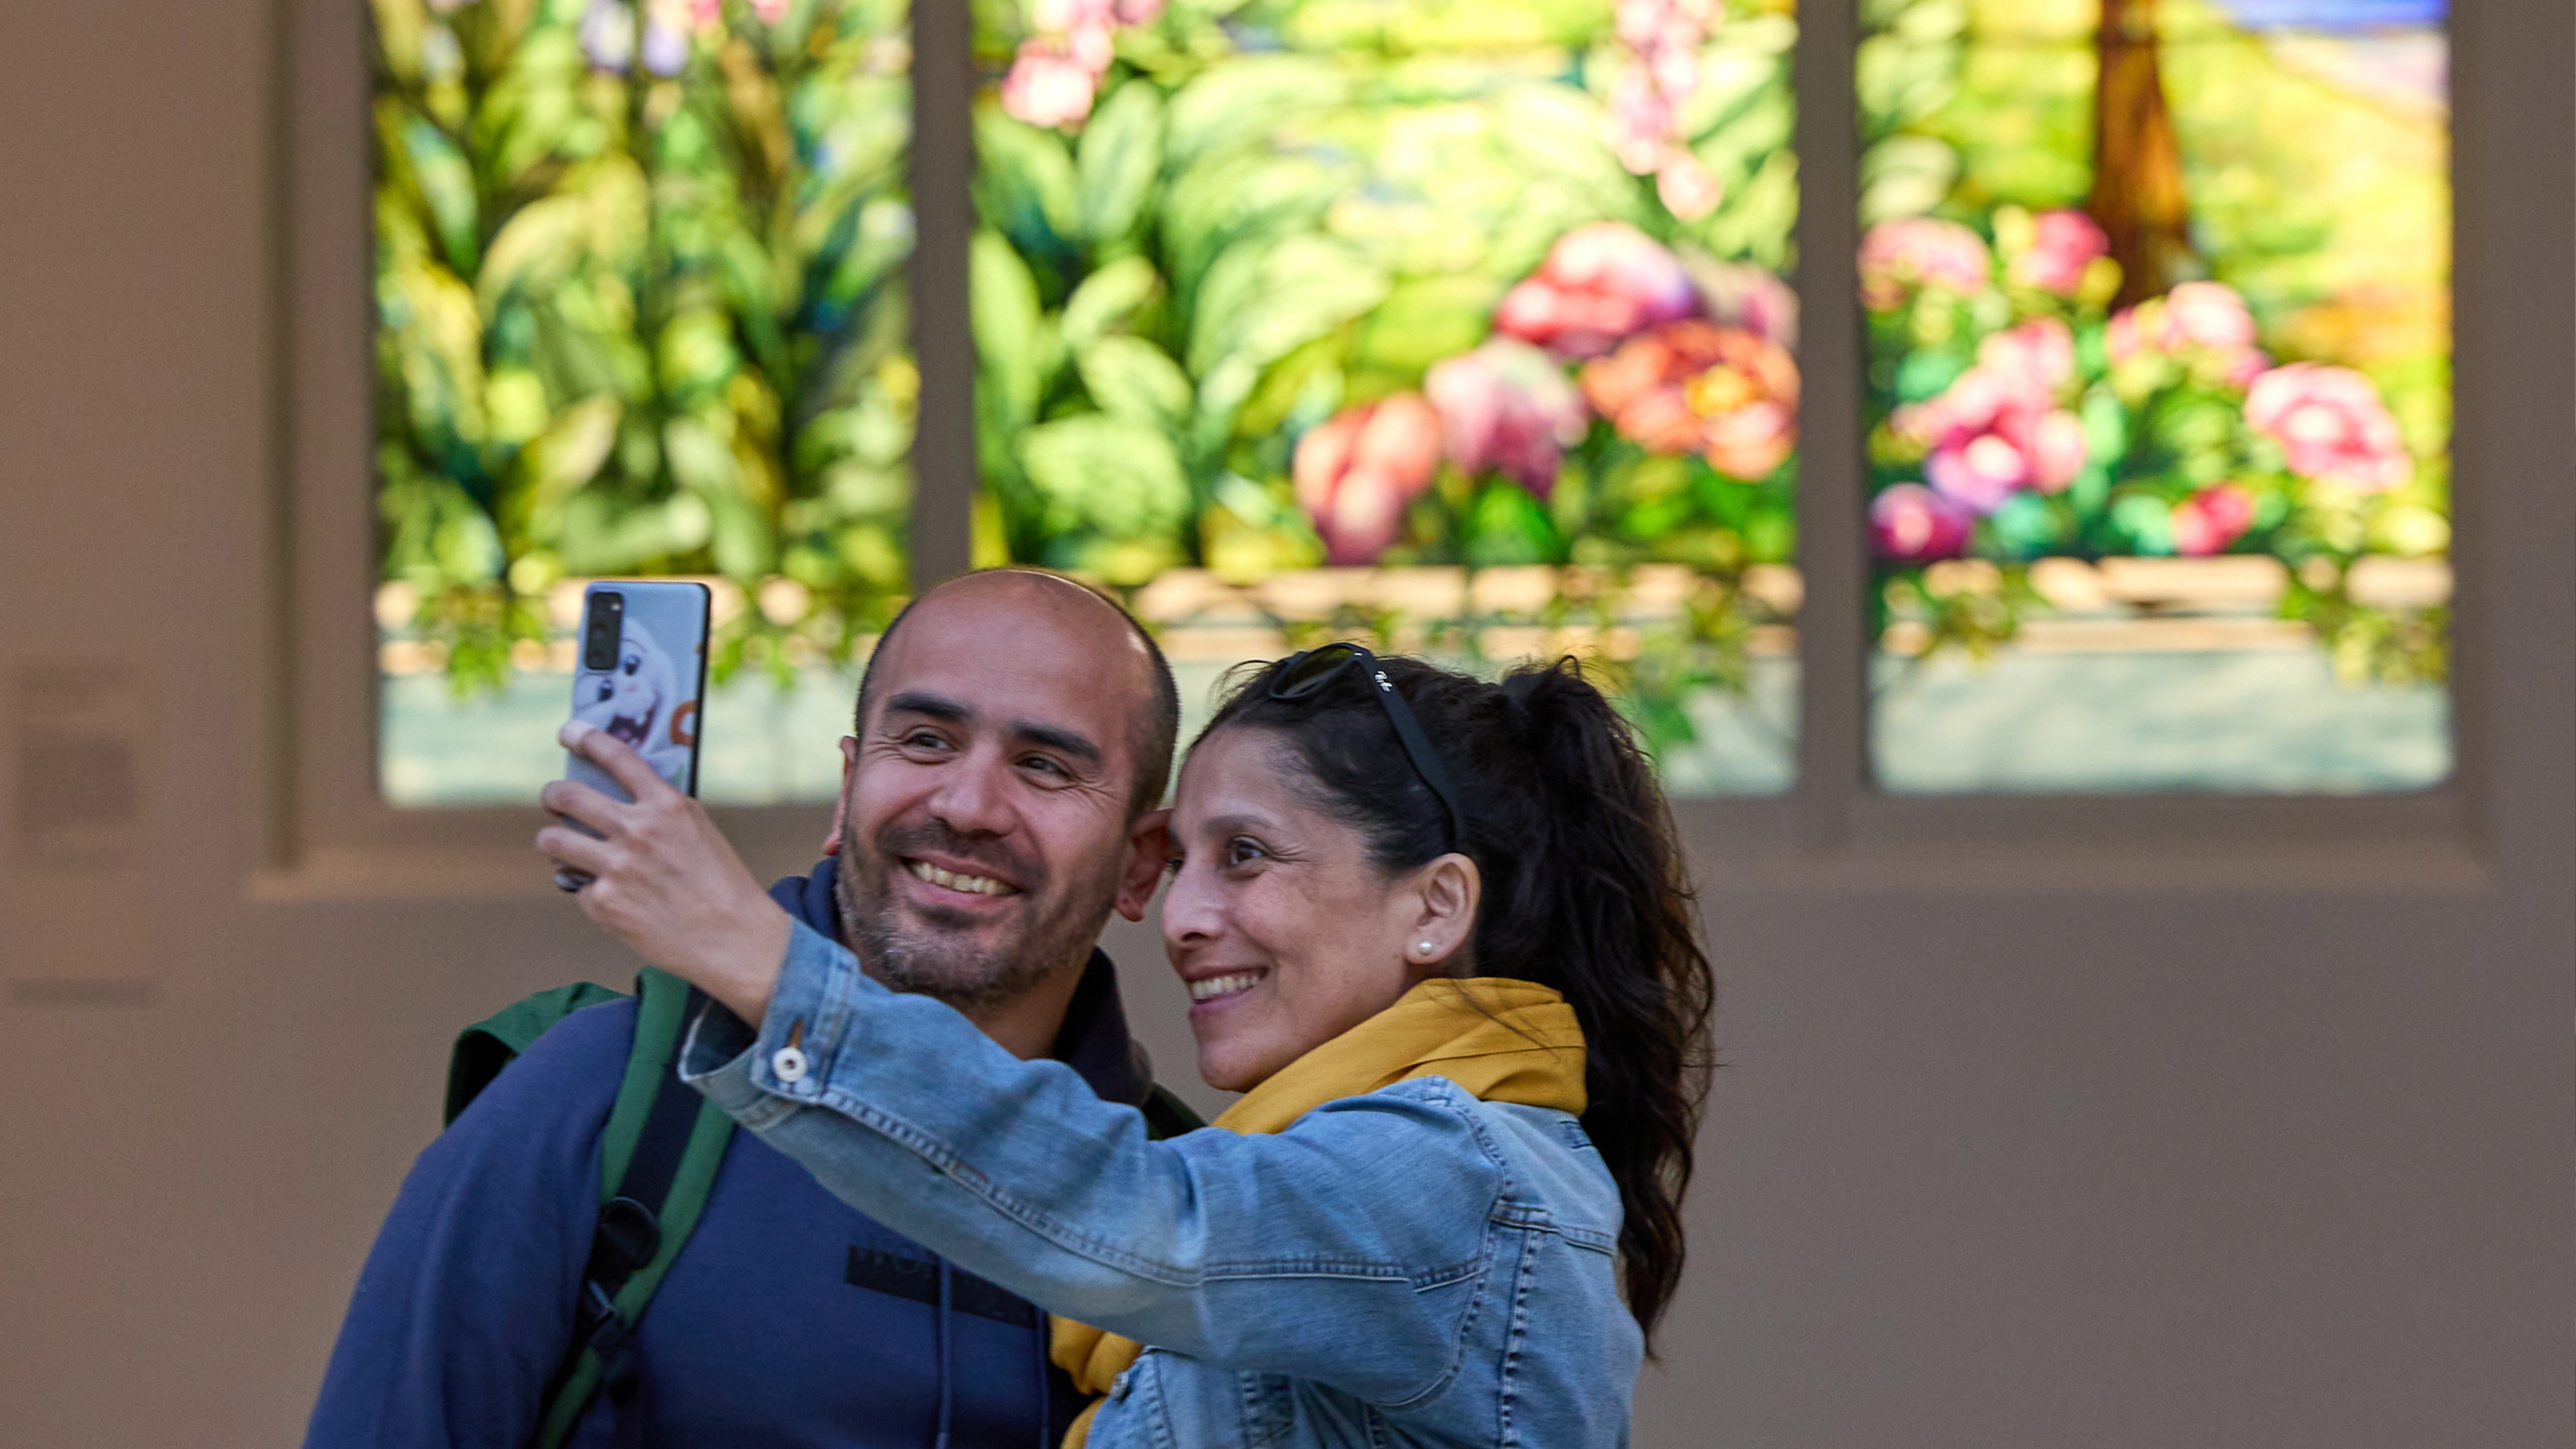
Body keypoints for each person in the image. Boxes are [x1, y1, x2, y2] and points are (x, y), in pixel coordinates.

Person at [544, 642, 1717, 1448]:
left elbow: (1143, 1212)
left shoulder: (1455, 1177)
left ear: (1436, 907)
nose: (1184, 915)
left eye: (1245, 855)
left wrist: (755, 955)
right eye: (1182, 859)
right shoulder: (1384, 1176)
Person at [307, 570, 1191, 1449]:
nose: (967, 807)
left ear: (1141, 863)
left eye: (1043, 766)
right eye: (925, 741)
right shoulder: (603, 1099)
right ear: (847, 789)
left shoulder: (1185, 1211)